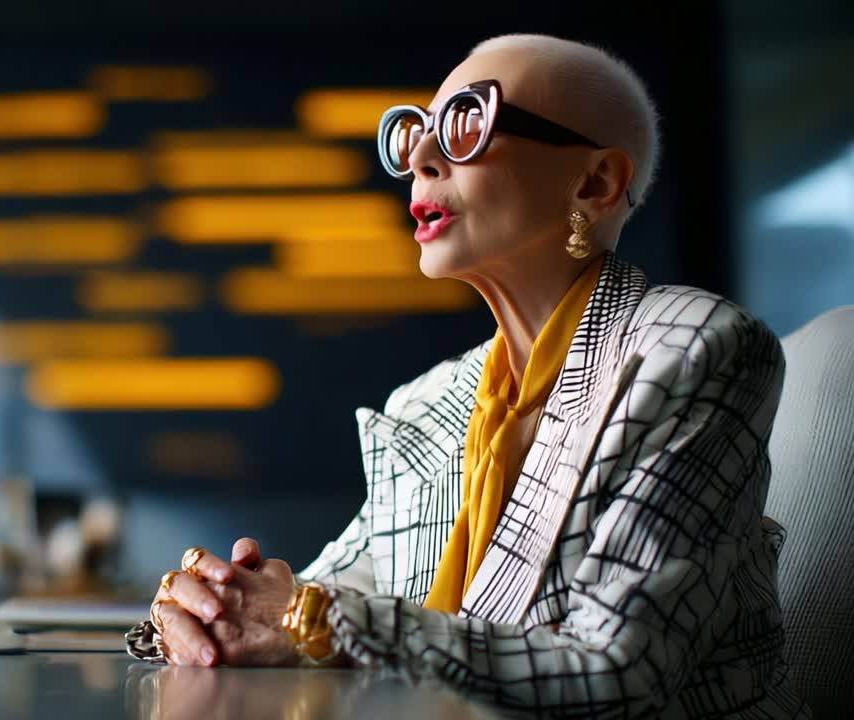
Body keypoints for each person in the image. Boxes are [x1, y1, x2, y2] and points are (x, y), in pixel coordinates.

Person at [125, 34, 811, 718]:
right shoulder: (430, 402)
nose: (420, 158)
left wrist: (315, 618)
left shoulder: (695, 348)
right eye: (416, 131)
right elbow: (319, 599)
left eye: (467, 123)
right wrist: (209, 606)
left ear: (595, 182)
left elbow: (617, 669)